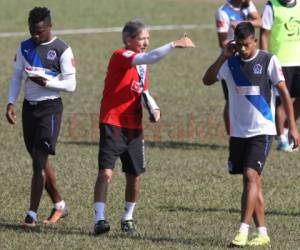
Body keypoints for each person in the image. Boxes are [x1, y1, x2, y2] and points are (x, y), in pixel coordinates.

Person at [93, 19, 195, 235]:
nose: (146, 42)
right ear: (128, 40)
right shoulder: (121, 55)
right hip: (113, 122)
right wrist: (174, 44)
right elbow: (150, 56)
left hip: (134, 126)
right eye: (141, 39)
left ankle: (127, 218)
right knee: (106, 173)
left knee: (135, 174)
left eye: (148, 38)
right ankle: (99, 219)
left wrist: (154, 109)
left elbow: (143, 91)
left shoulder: (141, 65)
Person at [203, 22, 299, 247]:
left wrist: (292, 127)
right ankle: (263, 232)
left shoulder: (268, 60)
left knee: (250, 176)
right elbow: (206, 80)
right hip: (238, 133)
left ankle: (242, 231)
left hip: (263, 130)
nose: (244, 50)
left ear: (254, 41)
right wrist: (222, 57)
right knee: (253, 182)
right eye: (240, 46)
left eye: (247, 45)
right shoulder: (230, 63)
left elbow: (284, 93)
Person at [6, 7, 76, 227]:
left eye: (40, 32)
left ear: (50, 27)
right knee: (40, 161)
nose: (35, 36)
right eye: (32, 31)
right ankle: (60, 205)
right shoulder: (24, 47)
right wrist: (10, 101)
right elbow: (17, 77)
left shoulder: (62, 49)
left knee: (38, 162)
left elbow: (71, 85)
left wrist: (47, 83)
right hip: (29, 109)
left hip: (50, 109)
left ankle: (31, 215)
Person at [215, 0, 261, 135]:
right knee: (231, 100)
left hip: (249, 58)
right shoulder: (222, 12)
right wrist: (238, 46)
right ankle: (232, 135)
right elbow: (222, 42)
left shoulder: (247, 5)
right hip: (232, 61)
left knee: (251, 94)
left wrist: (243, 25)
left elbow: (260, 21)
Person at [260, 0, 300, 151]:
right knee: (282, 100)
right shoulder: (272, 6)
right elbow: (264, 34)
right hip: (280, 61)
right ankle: (282, 139)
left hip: (299, 60)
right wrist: (265, 59)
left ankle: (285, 128)